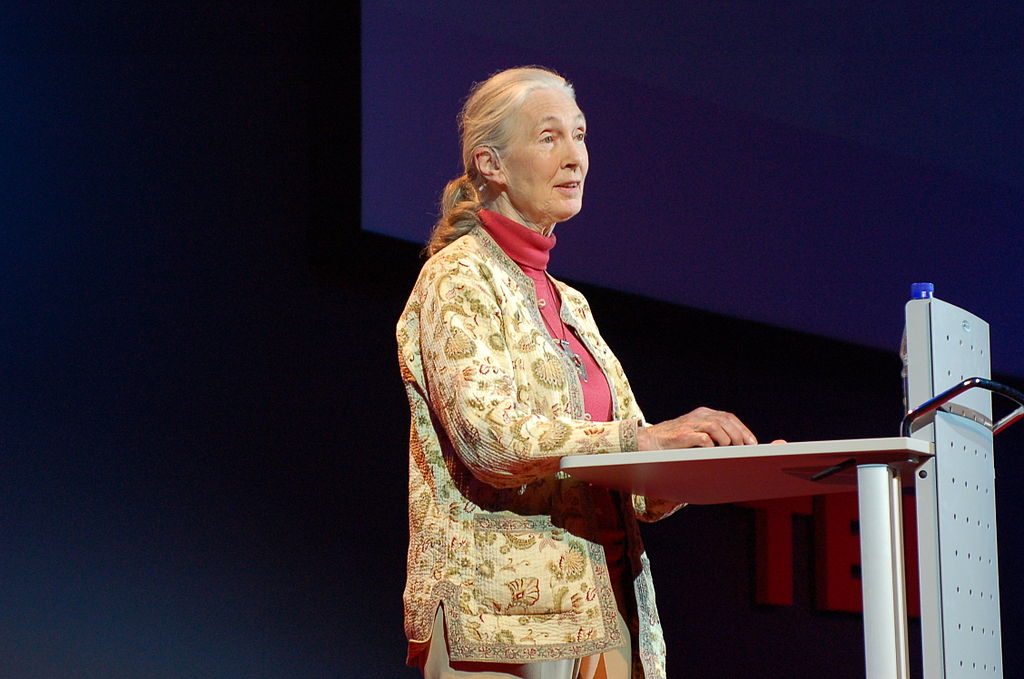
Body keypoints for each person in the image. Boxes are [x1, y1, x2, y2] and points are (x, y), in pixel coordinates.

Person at [397, 66, 762, 679]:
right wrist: (644, 441)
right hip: (502, 619)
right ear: (490, 163)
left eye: (581, 134)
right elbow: (489, 439)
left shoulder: (572, 304)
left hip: (607, 611)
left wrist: (705, 464)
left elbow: (636, 488)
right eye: (549, 137)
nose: (576, 157)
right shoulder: (457, 277)